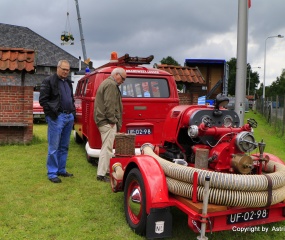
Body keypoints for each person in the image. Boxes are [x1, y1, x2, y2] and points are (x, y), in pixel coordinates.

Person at [39, 60, 76, 183]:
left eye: (67, 70)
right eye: (63, 69)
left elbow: (71, 98)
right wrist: (52, 115)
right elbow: (43, 100)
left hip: (68, 116)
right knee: (54, 147)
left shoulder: (68, 82)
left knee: (64, 146)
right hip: (57, 117)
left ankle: (61, 169)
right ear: (57, 68)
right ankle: (52, 173)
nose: (66, 72)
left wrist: (73, 113)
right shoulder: (49, 81)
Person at [94, 67, 126, 182]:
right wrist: (112, 120)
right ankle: (101, 174)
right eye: (123, 79)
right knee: (107, 148)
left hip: (103, 120)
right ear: (117, 75)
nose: (123, 81)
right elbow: (109, 105)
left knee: (106, 146)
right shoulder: (111, 85)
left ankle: (106, 170)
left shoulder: (107, 83)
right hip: (107, 122)